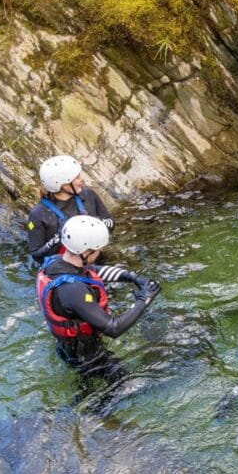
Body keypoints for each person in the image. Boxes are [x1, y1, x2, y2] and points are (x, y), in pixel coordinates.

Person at [36, 215, 161, 383]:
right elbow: (113, 328)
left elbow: (92, 270)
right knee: (128, 385)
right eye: (97, 250)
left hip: (70, 347)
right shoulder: (72, 290)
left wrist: (132, 277)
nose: (100, 252)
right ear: (85, 252)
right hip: (87, 356)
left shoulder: (56, 262)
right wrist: (144, 298)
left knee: (90, 387)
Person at [27, 155, 114, 264]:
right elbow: (36, 255)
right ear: (64, 185)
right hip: (64, 266)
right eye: (77, 177)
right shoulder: (38, 214)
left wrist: (96, 224)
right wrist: (58, 239)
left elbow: (110, 222)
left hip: (95, 259)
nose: (81, 179)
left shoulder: (88, 195)